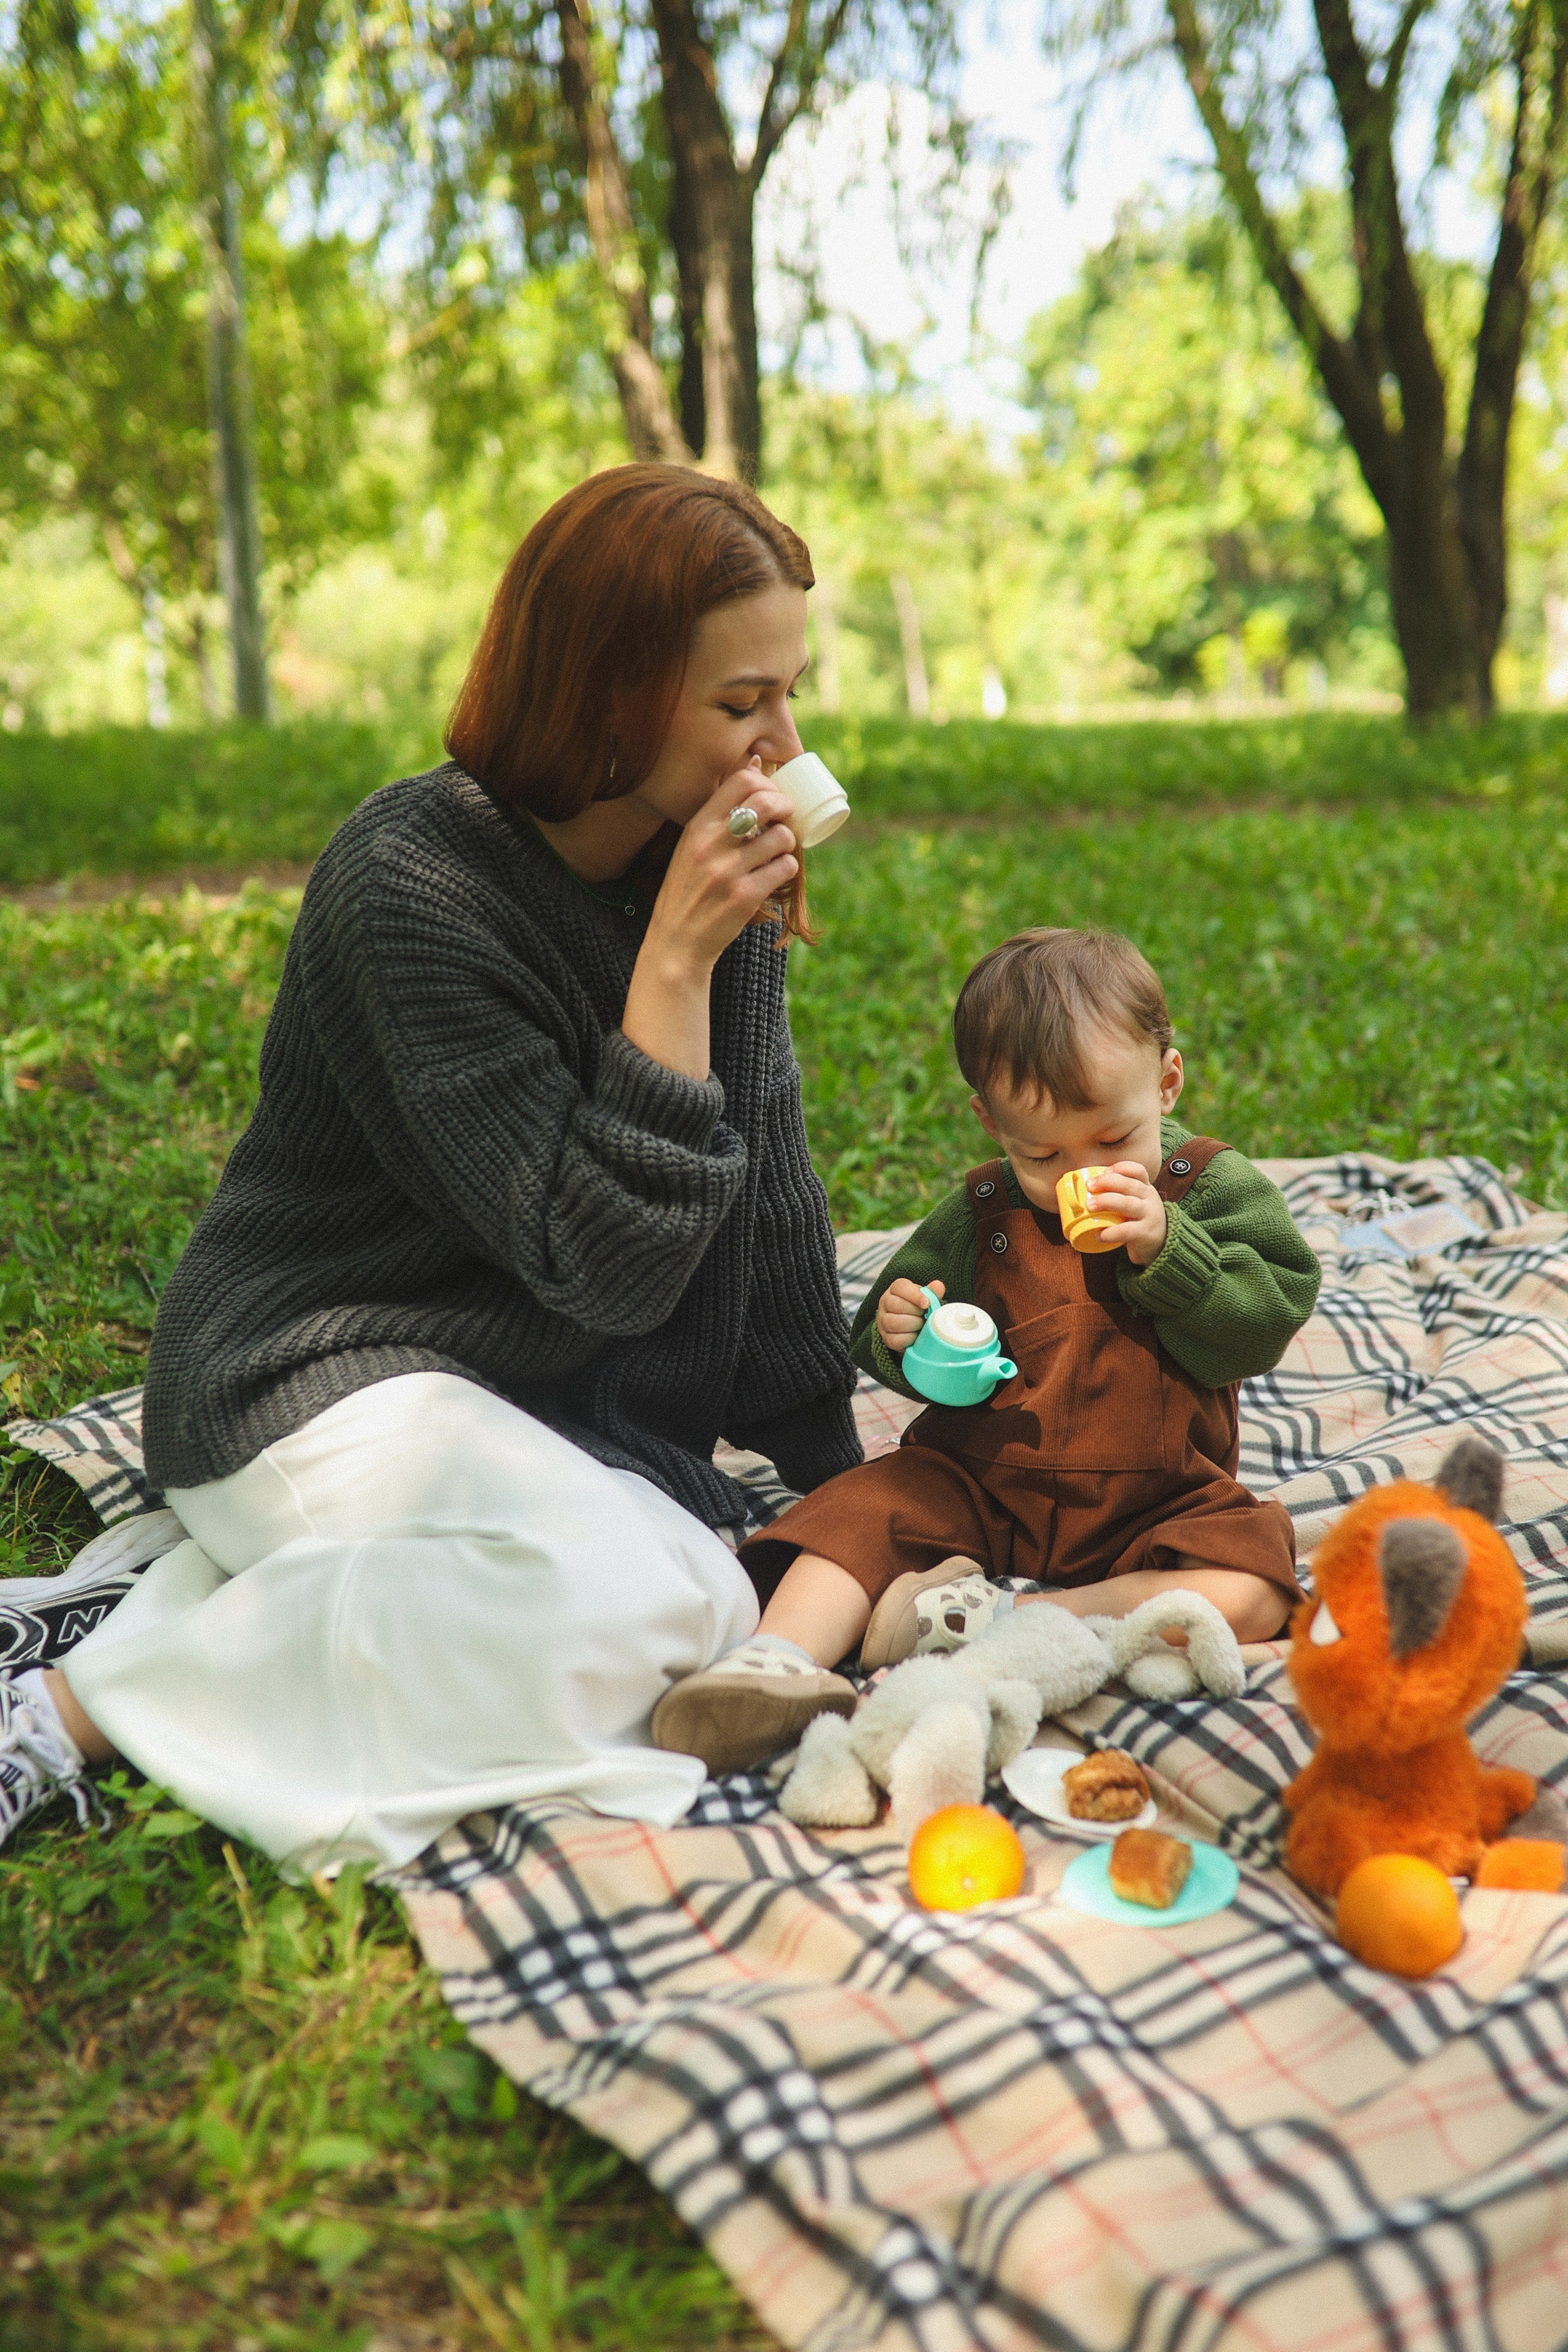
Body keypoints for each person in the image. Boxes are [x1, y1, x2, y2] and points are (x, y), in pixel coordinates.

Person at [0, 464, 869, 1872]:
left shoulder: (697, 869)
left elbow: (764, 1195)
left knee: (707, 1597)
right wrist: (671, 969)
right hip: (307, 1372)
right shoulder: (412, 887)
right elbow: (595, 1261)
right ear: (606, 697)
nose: (778, 742)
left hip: (524, 1396)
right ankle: (65, 1710)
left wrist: (838, 1477)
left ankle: (172, 1617)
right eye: (737, 705)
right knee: (637, 1612)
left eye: (788, 695)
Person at [653, 927, 1321, 1776]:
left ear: (1167, 1081)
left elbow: (1264, 1324)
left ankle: (1006, 1621)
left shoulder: (1211, 1190)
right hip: (986, 1483)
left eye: (1114, 1140)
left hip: (1155, 1498)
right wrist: (904, 1333)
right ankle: (774, 1666)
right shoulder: (985, 1212)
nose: (1078, 1170)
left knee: (1255, 1586)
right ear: (990, 1122)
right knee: (863, 1508)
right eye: (1040, 1153)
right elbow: (895, 1330)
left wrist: (1169, 1249)